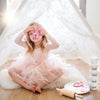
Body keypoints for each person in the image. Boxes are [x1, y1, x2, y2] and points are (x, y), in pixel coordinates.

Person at [8, 22, 64, 93]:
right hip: (28, 69)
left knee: (60, 70)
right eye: (31, 33)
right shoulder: (28, 46)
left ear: (42, 35)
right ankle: (27, 86)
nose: (34, 35)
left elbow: (56, 45)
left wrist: (47, 33)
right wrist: (24, 31)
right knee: (11, 71)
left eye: (37, 33)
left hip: (43, 69)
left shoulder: (46, 47)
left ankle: (40, 85)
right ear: (28, 36)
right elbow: (17, 41)